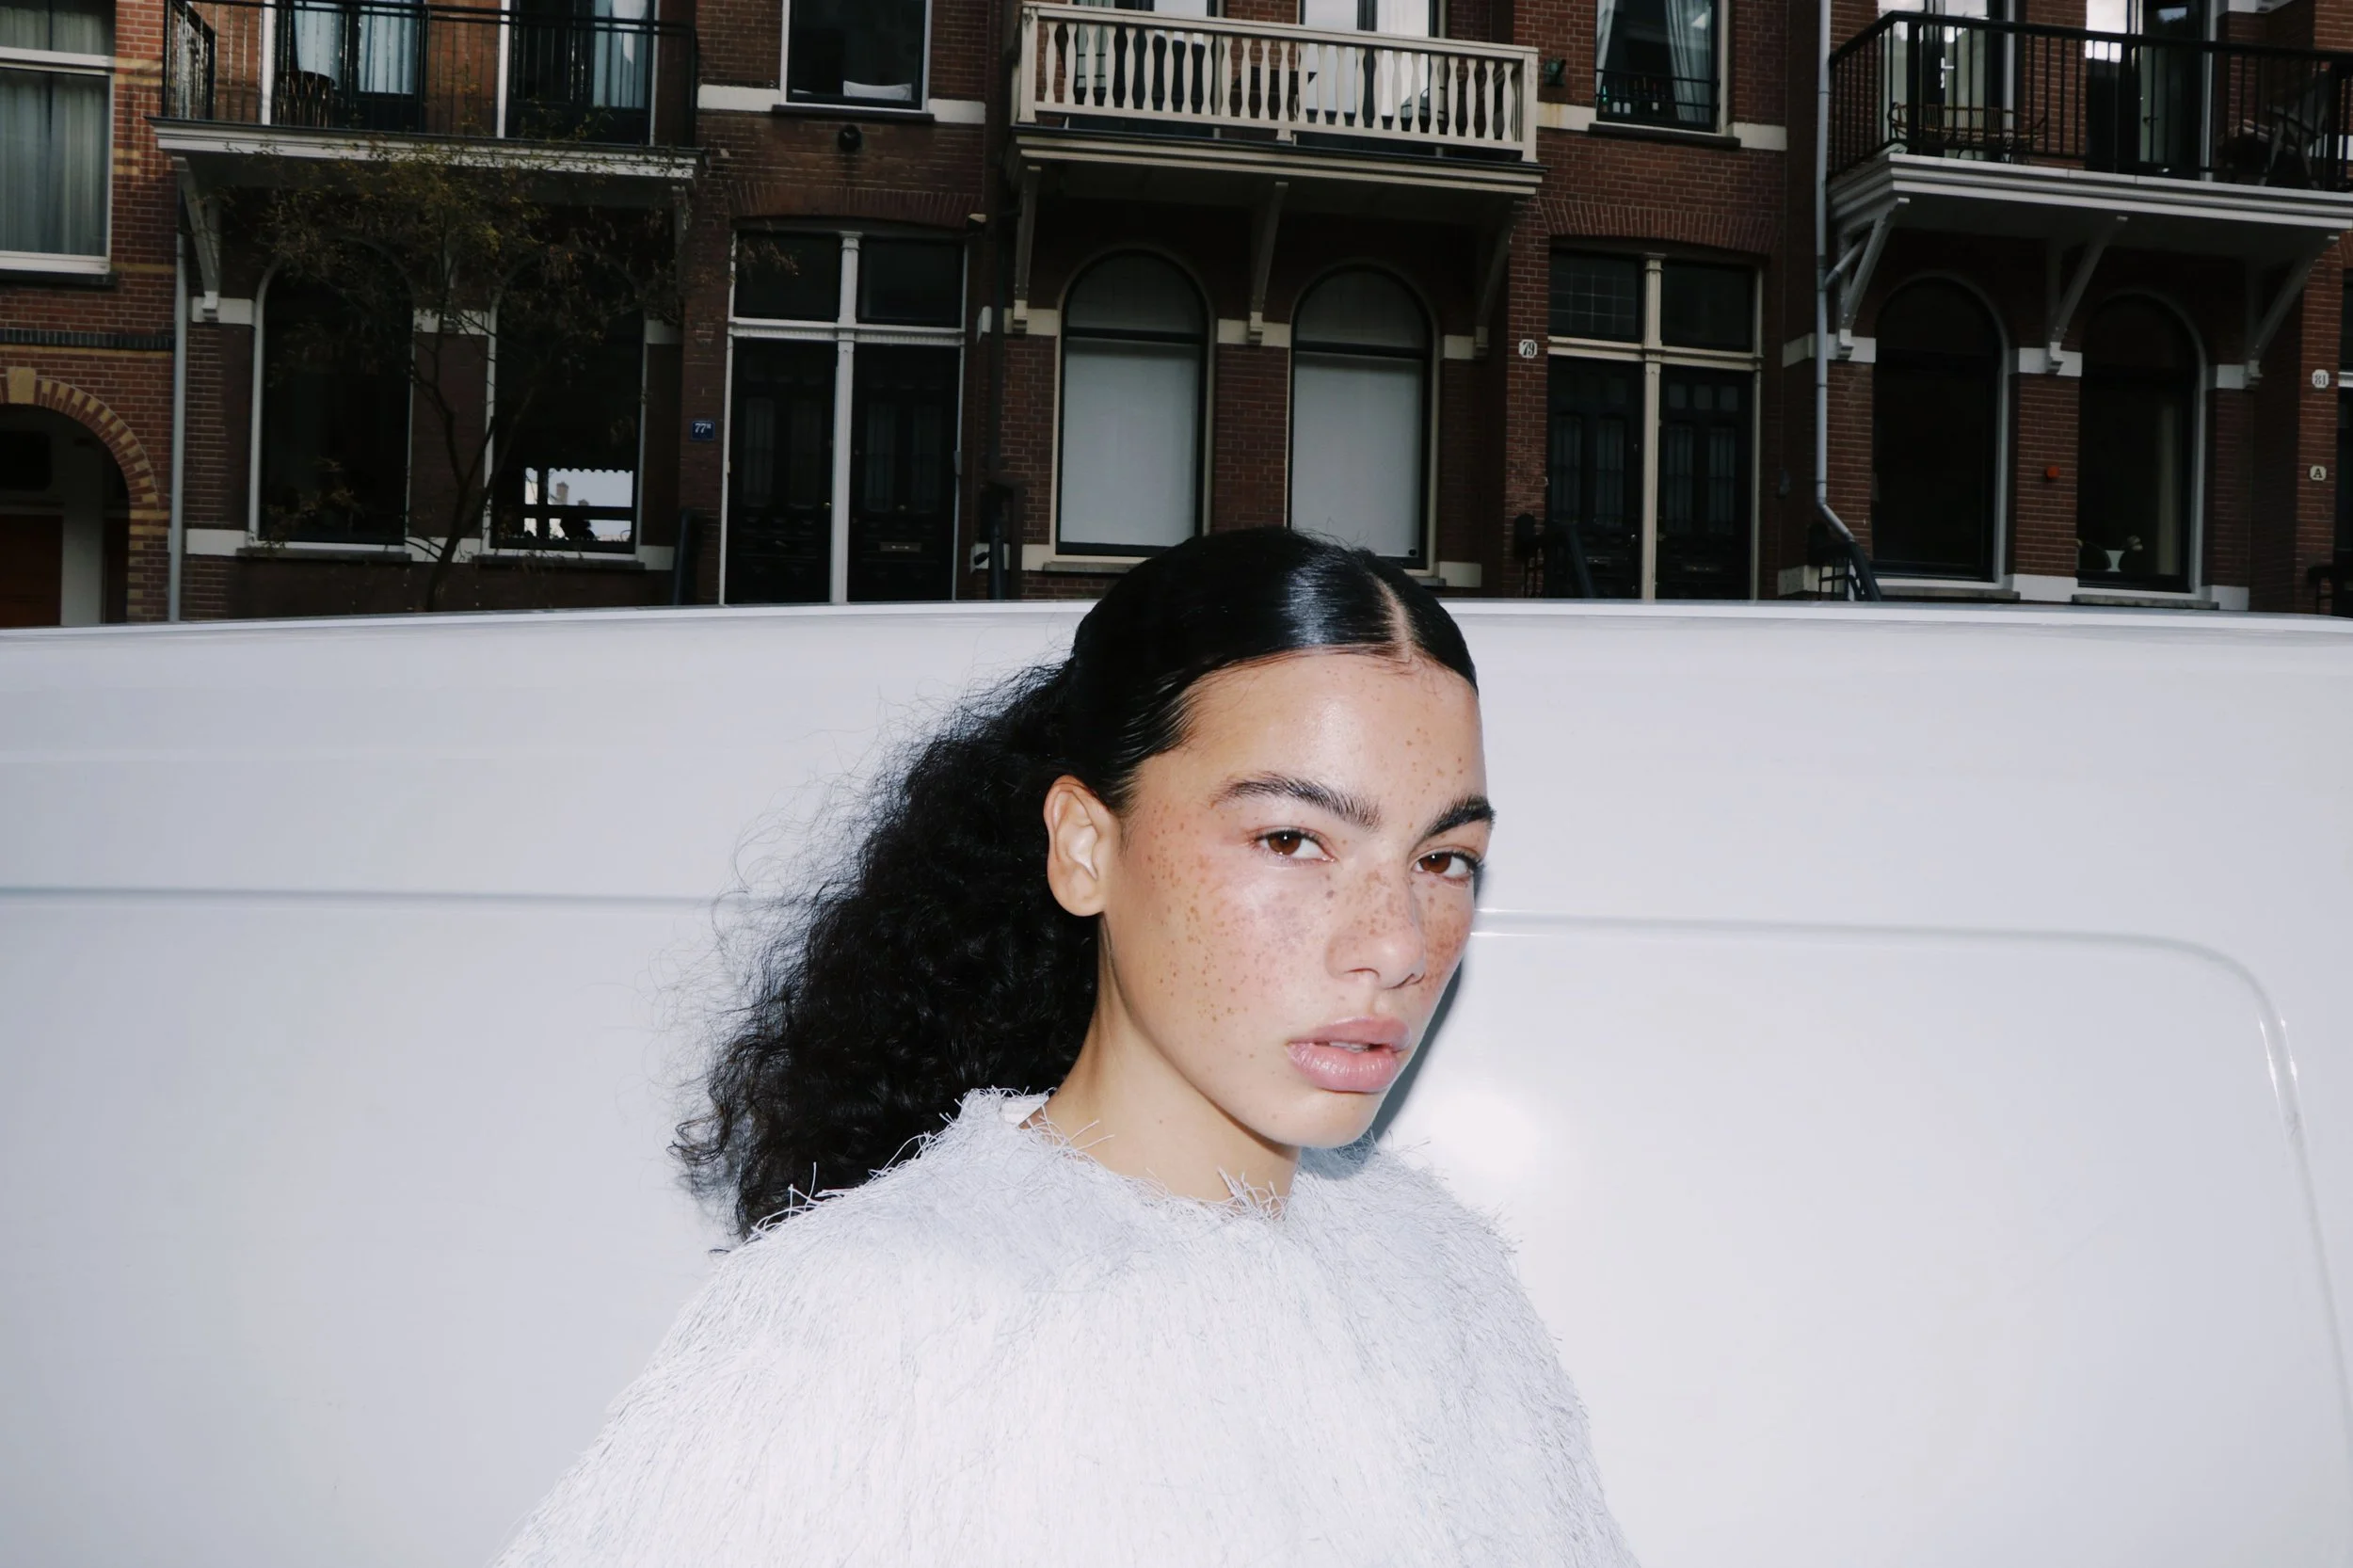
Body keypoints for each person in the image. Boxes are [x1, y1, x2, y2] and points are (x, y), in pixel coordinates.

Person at [493, 528, 1636, 1568]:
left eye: (1443, 859)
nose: (1395, 943)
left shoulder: (1442, 1282)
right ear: (1085, 847)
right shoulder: (878, 1318)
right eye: (1292, 839)